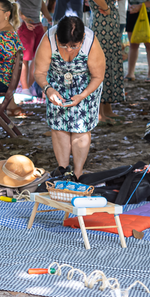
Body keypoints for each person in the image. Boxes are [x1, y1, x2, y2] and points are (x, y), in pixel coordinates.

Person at [33, 16, 105, 180]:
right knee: (59, 128)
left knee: (81, 129)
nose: (69, 49)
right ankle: (63, 171)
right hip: (56, 85)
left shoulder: (91, 41)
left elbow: (98, 76)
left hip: (86, 86)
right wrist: (48, 89)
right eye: (63, 45)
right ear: (57, 37)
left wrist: (82, 95)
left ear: (82, 39)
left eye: (74, 46)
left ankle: (78, 173)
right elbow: (39, 73)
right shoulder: (48, 39)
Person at [89, 0, 126, 124]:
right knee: (102, 66)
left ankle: (107, 109)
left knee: (109, 65)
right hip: (104, 26)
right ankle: (100, 113)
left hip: (106, 26)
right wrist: (106, 8)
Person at [13, 0, 50, 95]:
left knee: (39, 56)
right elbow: (12, 3)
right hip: (25, 25)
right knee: (25, 58)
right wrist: (23, 18)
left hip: (38, 22)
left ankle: (29, 86)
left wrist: (47, 15)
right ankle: (25, 89)